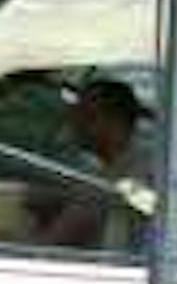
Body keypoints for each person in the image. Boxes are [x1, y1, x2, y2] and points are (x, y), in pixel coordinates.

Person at [33, 75, 145, 250]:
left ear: (116, 121)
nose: (75, 124)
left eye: (87, 116)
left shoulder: (125, 175)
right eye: (75, 116)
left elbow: (53, 242)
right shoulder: (111, 170)